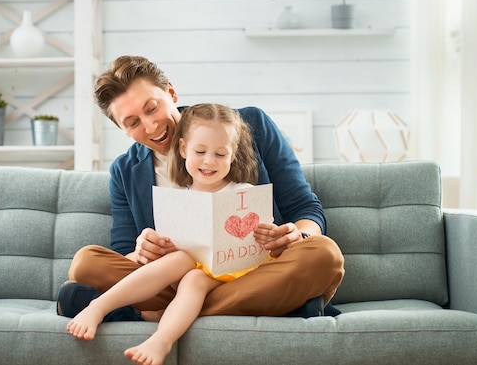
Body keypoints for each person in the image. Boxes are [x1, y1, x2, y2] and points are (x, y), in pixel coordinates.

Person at [58, 55, 344, 324]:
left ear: (171, 92)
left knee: (323, 254)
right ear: (123, 130)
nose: (151, 125)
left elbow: (306, 209)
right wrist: (141, 251)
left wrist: (298, 235)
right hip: (174, 281)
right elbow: (123, 255)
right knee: (86, 264)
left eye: (152, 107)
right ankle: (286, 306)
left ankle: (158, 317)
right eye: (133, 123)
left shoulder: (249, 125)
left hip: (253, 274)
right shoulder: (125, 171)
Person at [67, 103, 266, 365]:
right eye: (200, 151)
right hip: (193, 272)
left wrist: (269, 234)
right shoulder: (179, 200)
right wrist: (153, 247)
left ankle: (156, 326)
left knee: (193, 276)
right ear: (183, 149)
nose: (209, 161)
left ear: (233, 155)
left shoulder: (243, 192)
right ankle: (103, 309)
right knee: (186, 269)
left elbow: (261, 236)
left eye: (220, 154)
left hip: (238, 272)